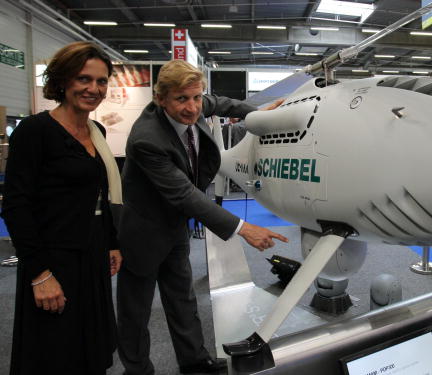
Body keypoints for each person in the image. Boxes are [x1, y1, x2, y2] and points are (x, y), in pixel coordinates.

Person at [117, 59, 288, 375]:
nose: (192, 107)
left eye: (196, 97)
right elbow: (184, 194)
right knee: (135, 311)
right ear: (161, 99)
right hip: (143, 232)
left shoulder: (194, 101)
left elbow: (221, 103)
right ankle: (137, 369)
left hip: (175, 226)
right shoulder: (147, 139)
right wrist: (243, 227)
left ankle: (195, 363)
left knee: (182, 298)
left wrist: (258, 113)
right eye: (182, 99)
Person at [1, 41, 123, 374]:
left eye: (100, 81)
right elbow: (16, 204)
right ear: (64, 80)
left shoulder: (96, 130)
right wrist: (40, 274)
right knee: (55, 352)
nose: (93, 89)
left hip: (92, 252)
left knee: (91, 349)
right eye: (84, 79)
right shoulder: (35, 131)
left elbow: (101, 191)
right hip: (53, 258)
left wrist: (111, 242)